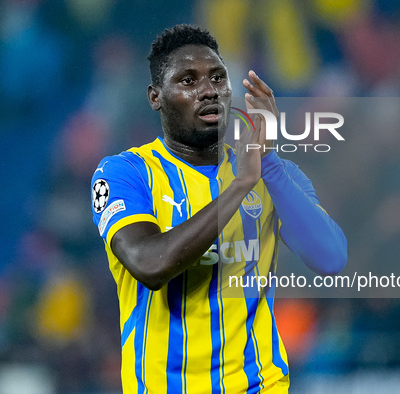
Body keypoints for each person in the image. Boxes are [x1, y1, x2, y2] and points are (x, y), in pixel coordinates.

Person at [91, 24, 347, 394]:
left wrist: (268, 163)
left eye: (217, 78)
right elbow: (150, 264)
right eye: (188, 81)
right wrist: (240, 185)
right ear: (155, 97)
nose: (208, 90)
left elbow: (331, 258)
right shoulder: (125, 173)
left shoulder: (271, 173)